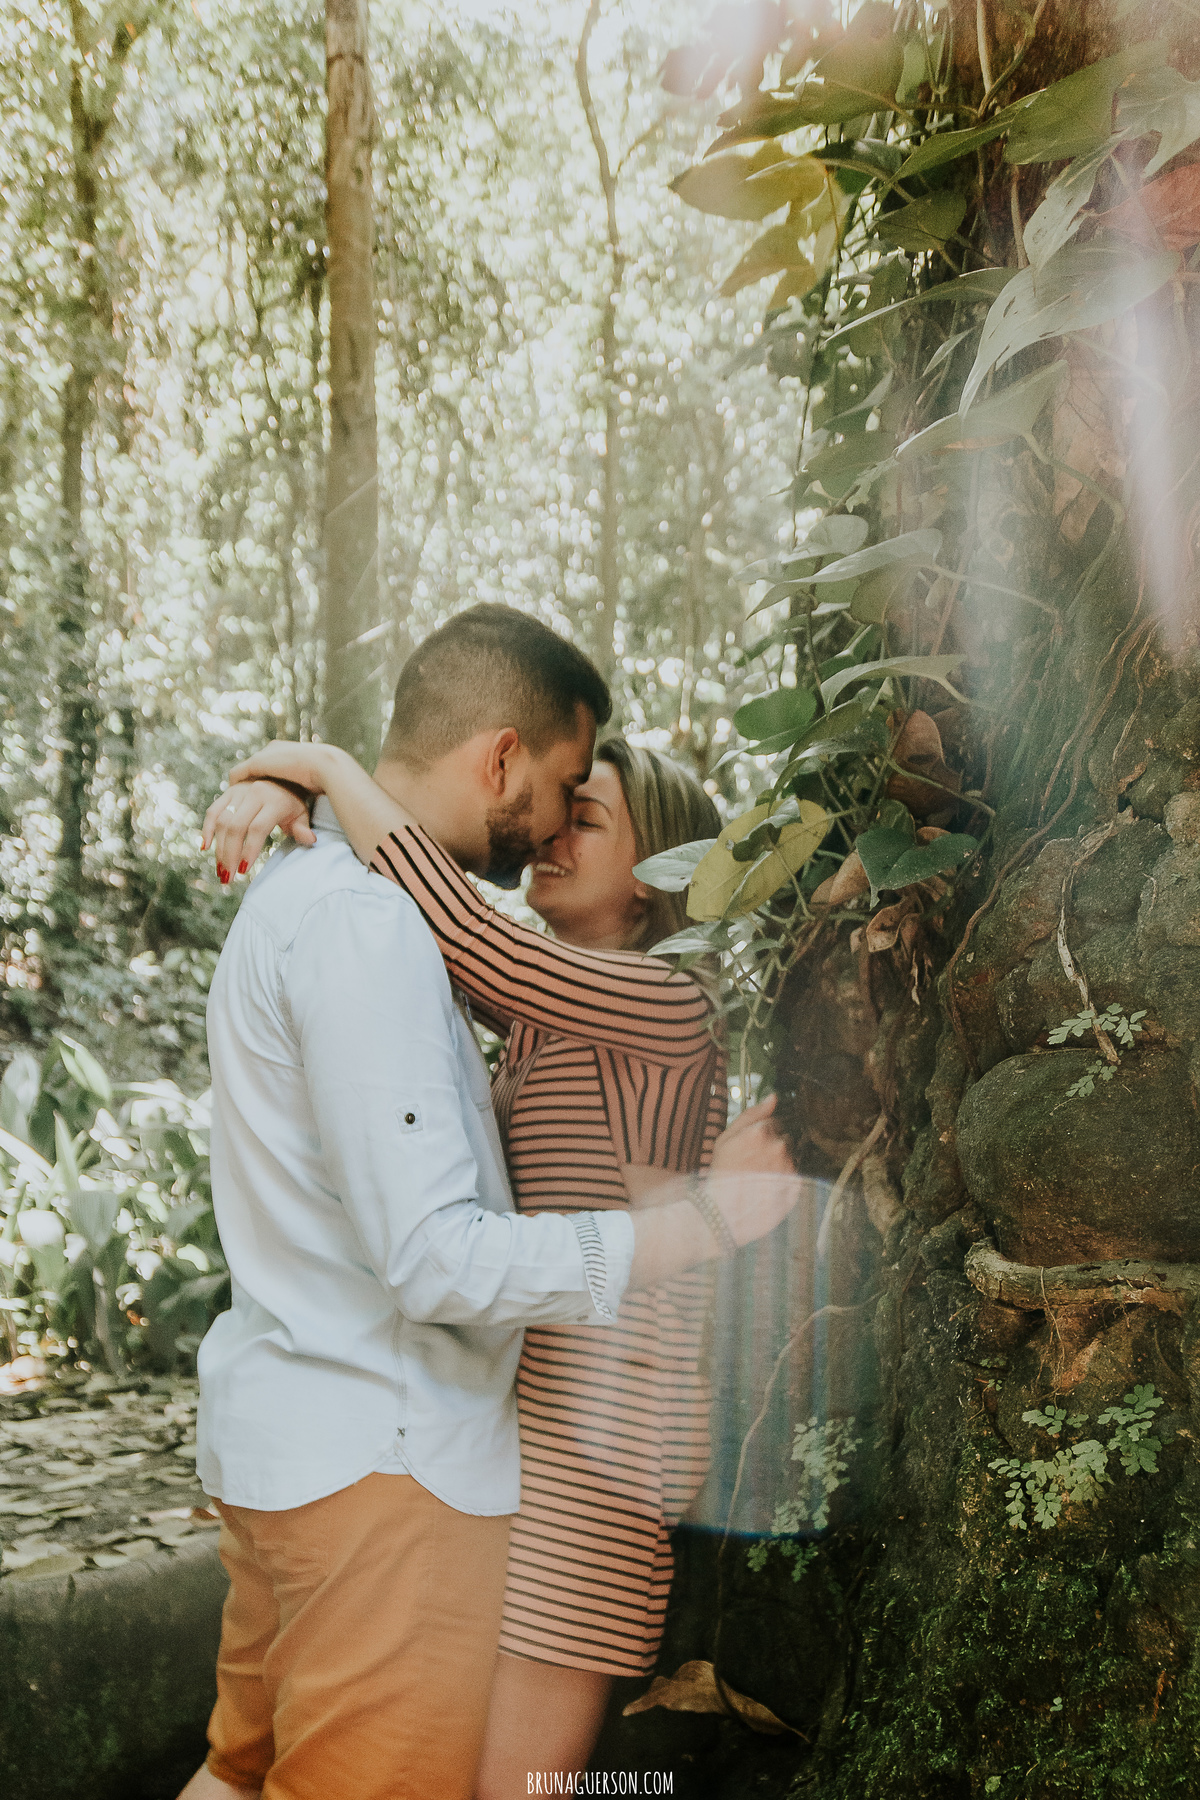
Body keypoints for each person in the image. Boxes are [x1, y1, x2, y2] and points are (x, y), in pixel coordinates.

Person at [182, 604, 799, 1800]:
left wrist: (318, 769)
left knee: (522, 1794)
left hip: (608, 1441)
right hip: (516, 1430)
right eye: (566, 793)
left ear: (665, 873)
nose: (559, 829)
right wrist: (309, 800)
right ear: (503, 755)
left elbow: (469, 936)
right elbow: (440, 960)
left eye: (592, 815)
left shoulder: (669, 1007)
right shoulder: (534, 1025)